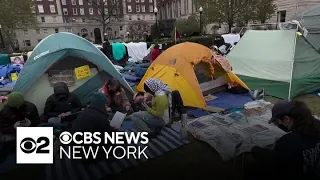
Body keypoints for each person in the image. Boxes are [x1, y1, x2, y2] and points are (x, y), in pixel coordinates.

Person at [245, 100, 320, 180]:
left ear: (286, 119)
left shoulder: (287, 142)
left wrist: (254, 149)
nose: (278, 124)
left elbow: (273, 161)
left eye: (277, 121)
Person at [69, 92, 118, 162]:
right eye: (106, 105)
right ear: (103, 104)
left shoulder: (84, 112)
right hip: (86, 155)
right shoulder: (100, 117)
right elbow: (109, 135)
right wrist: (115, 130)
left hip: (74, 151)